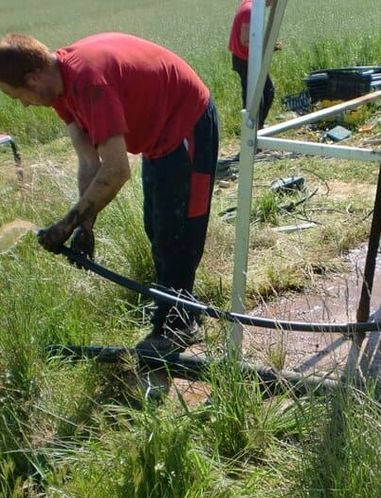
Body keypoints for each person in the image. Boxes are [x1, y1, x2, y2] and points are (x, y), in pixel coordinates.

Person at [0, 32, 219, 353]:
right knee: (157, 227)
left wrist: (67, 224)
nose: (23, 104)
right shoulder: (60, 90)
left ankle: (179, 325)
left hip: (187, 120)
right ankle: (175, 306)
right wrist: (85, 225)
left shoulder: (88, 82)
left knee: (178, 231)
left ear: (32, 79)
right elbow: (89, 161)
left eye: (17, 96)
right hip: (157, 139)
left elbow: (116, 170)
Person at [228, 0, 280, 130]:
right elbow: (245, 40)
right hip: (245, 59)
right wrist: (268, 45)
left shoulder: (251, 6)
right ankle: (252, 131)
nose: (274, 4)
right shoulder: (250, 10)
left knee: (265, 91)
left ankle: (257, 127)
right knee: (257, 97)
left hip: (249, 58)